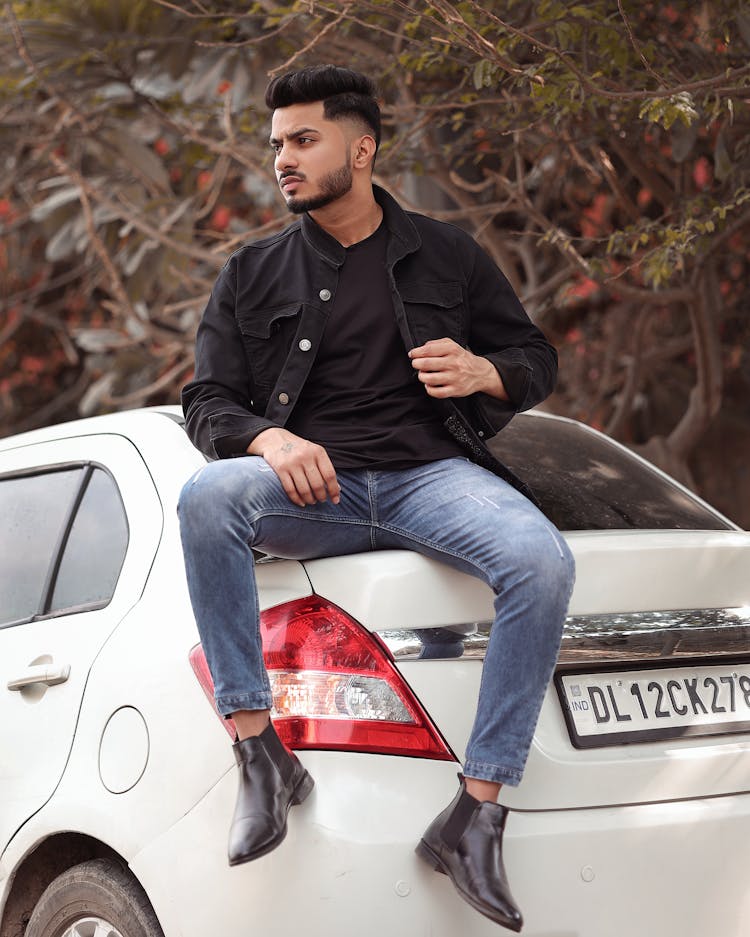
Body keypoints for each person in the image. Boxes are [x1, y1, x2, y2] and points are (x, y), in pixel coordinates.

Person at [178, 64, 575, 932]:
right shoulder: (251, 272)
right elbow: (205, 401)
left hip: (430, 478)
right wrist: (270, 441)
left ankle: (476, 814)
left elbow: (534, 357)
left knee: (541, 559)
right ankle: (260, 754)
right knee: (209, 498)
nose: (283, 158)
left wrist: (485, 371)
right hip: (308, 490)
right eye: (277, 143)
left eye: (303, 140)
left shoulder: (450, 254)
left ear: (362, 148)